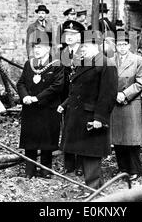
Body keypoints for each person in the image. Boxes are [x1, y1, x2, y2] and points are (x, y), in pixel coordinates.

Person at [58, 30, 118, 189]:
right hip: (79, 115)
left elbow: (108, 95)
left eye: (86, 45)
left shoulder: (106, 64)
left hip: (92, 116)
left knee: (91, 154)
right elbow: (75, 90)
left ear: (97, 46)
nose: (82, 48)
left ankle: (94, 189)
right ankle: (91, 185)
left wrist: (100, 118)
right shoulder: (83, 62)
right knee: (83, 152)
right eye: (81, 45)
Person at [17, 30, 64, 179]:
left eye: (40, 47)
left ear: (48, 49)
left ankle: (45, 170)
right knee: (30, 140)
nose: (37, 50)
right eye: (35, 47)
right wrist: (25, 97)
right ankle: (29, 170)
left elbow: (57, 86)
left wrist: (37, 98)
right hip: (30, 109)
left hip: (47, 109)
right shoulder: (28, 64)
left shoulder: (57, 65)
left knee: (46, 142)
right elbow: (21, 83)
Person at [110, 30, 142, 181]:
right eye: (119, 45)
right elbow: (107, 81)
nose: (122, 47)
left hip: (131, 104)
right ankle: (122, 169)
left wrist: (124, 94)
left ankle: (135, 170)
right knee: (118, 139)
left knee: (132, 139)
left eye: (125, 44)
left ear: (129, 45)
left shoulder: (138, 60)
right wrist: (114, 94)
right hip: (115, 103)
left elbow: (141, 82)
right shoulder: (110, 60)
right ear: (115, 46)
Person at [59, 20, 85, 176]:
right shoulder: (61, 53)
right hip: (64, 97)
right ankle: (69, 165)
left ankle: (81, 164)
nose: (69, 37)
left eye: (73, 34)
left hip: (81, 96)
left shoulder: (84, 53)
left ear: (80, 37)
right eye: (67, 34)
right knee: (67, 129)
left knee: (80, 130)